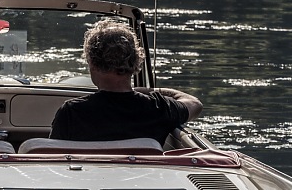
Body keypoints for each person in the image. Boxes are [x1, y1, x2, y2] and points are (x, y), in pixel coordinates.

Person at [49, 19, 202, 144]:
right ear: (136, 62)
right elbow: (194, 104)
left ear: (92, 64)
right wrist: (149, 92)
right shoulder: (158, 108)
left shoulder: (71, 113)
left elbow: (53, 159)